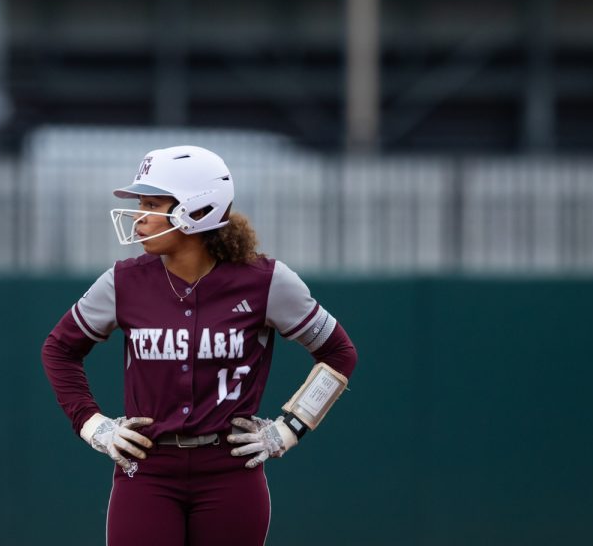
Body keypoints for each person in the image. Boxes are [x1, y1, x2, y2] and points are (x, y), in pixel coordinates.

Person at [41, 145, 358, 546]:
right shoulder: (122, 281)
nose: (139, 218)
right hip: (147, 467)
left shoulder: (266, 282)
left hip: (230, 472)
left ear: (197, 210)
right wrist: (92, 424)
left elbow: (339, 353)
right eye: (141, 203)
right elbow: (59, 348)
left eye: (153, 203)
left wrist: (289, 428)